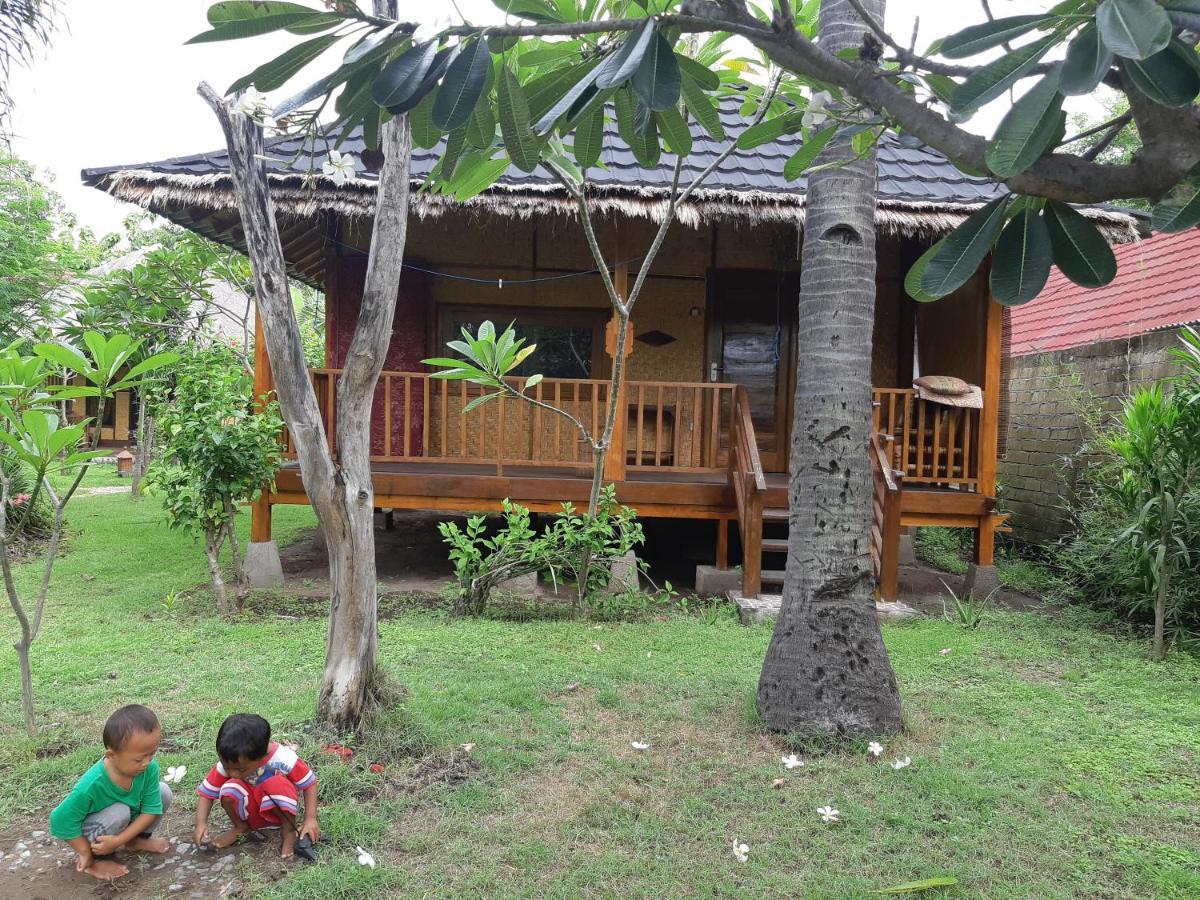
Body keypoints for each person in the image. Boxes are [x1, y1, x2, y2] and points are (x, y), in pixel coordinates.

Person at [48, 704, 172, 882]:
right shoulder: (92, 784)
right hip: (95, 831)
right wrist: (85, 852)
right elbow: (60, 819)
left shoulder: (149, 769)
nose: (146, 763)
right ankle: (95, 862)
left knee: (163, 792)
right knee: (119, 811)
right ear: (111, 755)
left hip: (121, 827)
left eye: (151, 755)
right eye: (139, 759)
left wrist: (120, 839)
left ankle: (134, 841)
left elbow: (150, 811)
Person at [192, 713, 319, 858]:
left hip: (279, 809)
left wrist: (310, 819)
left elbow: (309, 783)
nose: (232, 773)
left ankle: (289, 831)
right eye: (227, 768)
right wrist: (200, 824)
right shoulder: (231, 762)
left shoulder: (284, 758)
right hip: (253, 812)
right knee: (229, 788)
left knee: (275, 784)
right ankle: (241, 827)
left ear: (263, 755)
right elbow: (207, 793)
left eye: (241, 769)